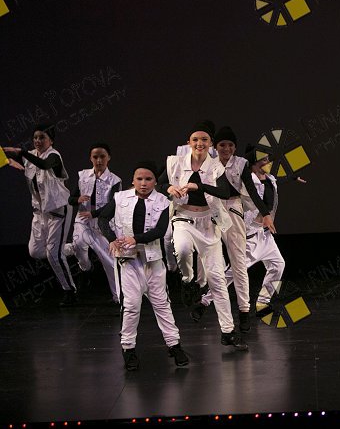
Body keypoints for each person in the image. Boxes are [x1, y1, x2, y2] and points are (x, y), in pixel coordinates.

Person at [159, 120, 247, 351]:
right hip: (183, 218)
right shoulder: (175, 162)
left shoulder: (216, 166)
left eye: (204, 139)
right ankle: (188, 281)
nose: (200, 143)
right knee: (183, 249)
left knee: (217, 278)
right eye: (195, 139)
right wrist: (169, 188)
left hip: (208, 222)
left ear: (211, 144)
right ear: (189, 142)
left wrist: (199, 186)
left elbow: (224, 192)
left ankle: (228, 331)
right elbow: (159, 183)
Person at [96, 161, 189, 370]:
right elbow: (102, 218)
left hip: (153, 260)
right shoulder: (120, 198)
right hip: (128, 261)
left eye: (148, 179)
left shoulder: (163, 201)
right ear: (133, 180)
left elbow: (160, 230)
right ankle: (128, 348)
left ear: (155, 181)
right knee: (131, 305)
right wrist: (111, 238)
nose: (144, 183)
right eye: (139, 179)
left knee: (162, 304)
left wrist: (135, 239)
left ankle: (174, 344)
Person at [189, 126, 273, 332]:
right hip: (211, 208)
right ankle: (202, 298)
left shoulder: (241, 163)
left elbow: (250, 191)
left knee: (238, 263)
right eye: (222, 145)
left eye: (230, 145)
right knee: (210, 262)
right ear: (215, 146)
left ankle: (244, 311)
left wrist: (266, 214)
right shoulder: (208, 162)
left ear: (235, 147)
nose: (226, 148)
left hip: (232, 209)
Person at [2, 123, 77, 306]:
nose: (37, 140)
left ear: (51, 140)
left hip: (58, 211)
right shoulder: (30, 156)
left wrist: (20, 153)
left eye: (42, 137)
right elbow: (7, 153)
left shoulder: (54, 156)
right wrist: (7, 156)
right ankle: (74, 248)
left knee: (53, 256)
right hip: (39, 213)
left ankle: (69, 291)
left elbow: (44, 165)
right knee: (35, 252)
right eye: (35, 137)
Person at [63, 142, 122, 302]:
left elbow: (113, 205)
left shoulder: (114, 180)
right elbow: (71, 198)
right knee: (79, 244)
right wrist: (77, 199)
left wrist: (93, 213)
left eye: (102, 156)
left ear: (108, 157)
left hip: (102, 222)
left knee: (109, 260)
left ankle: (118, 296)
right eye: (95, 157)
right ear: (91, 158)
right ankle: (86, 267)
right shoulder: (83, 176)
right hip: (83, 219)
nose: (99, 160)